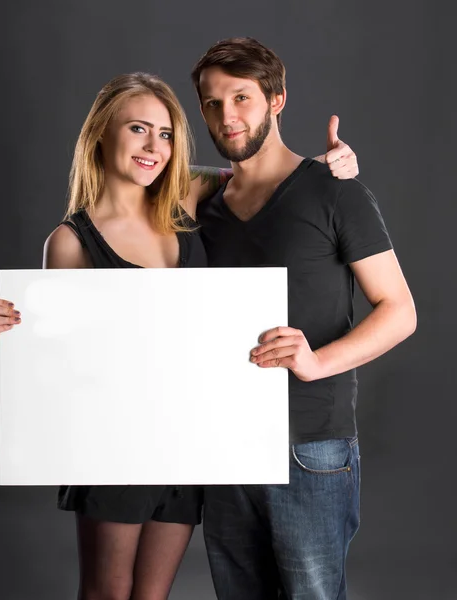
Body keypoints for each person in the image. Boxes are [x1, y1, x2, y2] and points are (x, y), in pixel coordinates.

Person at [0, 70, 358, 600]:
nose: (153, 146)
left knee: (154, 595)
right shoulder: (69, 241)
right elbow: (53, 359)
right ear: (101, 134)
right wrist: (12, 331)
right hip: (111, 446)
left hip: (184, 443)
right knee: (108, 592)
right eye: (137, 129)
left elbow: (266, 178)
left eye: (165, 134)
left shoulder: (184, 205)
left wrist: (327, 168)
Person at [191, 38, 417, 600]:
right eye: (213, 104)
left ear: (277, 99)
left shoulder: (336, 193)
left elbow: (400, 310)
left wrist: (316, 363)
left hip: (310, 445)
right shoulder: (203, 206)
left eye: (241, 98)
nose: (228, 116)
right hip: (226, 444)